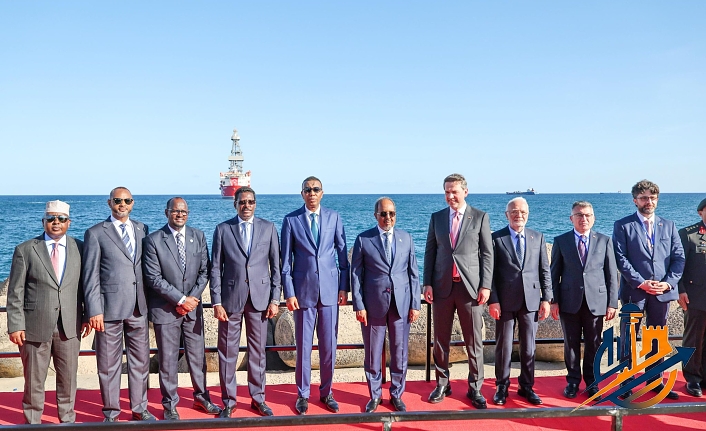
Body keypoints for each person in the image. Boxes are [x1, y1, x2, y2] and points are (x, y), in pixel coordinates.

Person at [6, 200, 91, 424]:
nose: (56, 222)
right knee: (33, 381)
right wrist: (15, 325)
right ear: (43, 221)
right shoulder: (25, 250)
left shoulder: (81, 248)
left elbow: (87, 287)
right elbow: (15, 292)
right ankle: (32, 423)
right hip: (34, 326)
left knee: (68, 379)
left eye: (61, 218)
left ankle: (67, 421)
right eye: (51, 218)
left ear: (69, 222)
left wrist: (87, 316)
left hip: (70, 326)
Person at [142, 197, 222, 419]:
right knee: (167, 360)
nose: (180, 215)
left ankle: (202, 397)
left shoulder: (198, 236)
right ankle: (169, 404)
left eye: (184, 212)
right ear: (166, 212)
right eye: (175, 211)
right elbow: (153, 277)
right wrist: (180, 300)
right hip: (165, 309)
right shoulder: (153, 240)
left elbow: (205, 271)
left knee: (197, 357)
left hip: (193, 309)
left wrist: (191, 299)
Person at [82, 187, 156, 422]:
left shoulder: (142, 229)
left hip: (138, 307)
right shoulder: (95, 233)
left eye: (127, 200)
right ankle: (111, 412)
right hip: (109, 310)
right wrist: (94, 310)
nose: (122, 204)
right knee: (108, 364)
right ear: (109, 203)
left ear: (132, 203)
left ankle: (140, 408)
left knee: (141, 362)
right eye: (117, 200)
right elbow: (90, 275)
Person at [423, 173, 493, 409]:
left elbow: (487, 254)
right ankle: (442, 383)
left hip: (470, 289)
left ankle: (475, 387)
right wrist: (427, 283)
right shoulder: (437, 218)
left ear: (465, 191)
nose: (450, 196)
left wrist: (486, 285)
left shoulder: (480, 217)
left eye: (454, 191)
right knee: (440, 340)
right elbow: (430, 252)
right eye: (446, 191)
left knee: (473, 341)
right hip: (442, 287)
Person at [210, 187, 282, 417]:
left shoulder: (268, 228)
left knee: (258, 352)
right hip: (230, 300)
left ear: (255, 203)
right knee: (227, 352)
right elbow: (215, 268)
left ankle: (258, 398)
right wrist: (216, 301)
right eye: (242, 202)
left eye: (250, 201)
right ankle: (229, 401)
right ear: (235, 204)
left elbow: (276, 267)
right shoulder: (223, 229)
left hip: (260, 300)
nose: (246, 205)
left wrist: (275, 299)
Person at [281, 176, 349, 415]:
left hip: (330, 293)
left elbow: (343, 256)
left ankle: (327, 392)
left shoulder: (334, 217)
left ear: (322, 193)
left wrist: (344, 288)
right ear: (302, 194)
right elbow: (285, 262)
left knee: (329, 346)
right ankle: (303, 394)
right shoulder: (291, 220)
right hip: (303, 294)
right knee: (303, 347)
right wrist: (289, 292)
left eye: (315, 189)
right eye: (307, 190)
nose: (311, 193)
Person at [613, 179, 684, 400]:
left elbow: (679, 258)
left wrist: (668, 283)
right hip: (634, 292)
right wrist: (641, 282)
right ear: (635, 200)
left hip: (661, 293)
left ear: (657, 200)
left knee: (656, 339)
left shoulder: (668, 225)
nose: (649, 202)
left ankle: (655, 381)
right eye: (644, 198)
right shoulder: (623, 225)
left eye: (652, 198)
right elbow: (621, 259)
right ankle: (626, 382)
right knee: (629, 339)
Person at [351, 197, 421, 413]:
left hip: (401, 305)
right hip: (373, 306)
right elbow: (355, 275)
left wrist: (415, 304)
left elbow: (413, 273)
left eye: (391, 213)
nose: (388, 217)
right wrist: (359, 305)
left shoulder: (406, 238)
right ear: (376, 216)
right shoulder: (364, 239)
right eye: (383, 214)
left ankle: (397, 394)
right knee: (373, 353)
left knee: (400, 352)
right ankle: (375, 396)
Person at [550, 201, 618, 399]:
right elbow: (554, 274)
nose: (583, 219)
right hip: (569, 301)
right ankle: (572, 381)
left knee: (594, 344)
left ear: (593, 218)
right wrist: (553, 301)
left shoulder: (604, 240)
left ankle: (592, 382)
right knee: (570, 344)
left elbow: (611, 274)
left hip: (596, 302)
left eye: (587, 215)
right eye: (579, 215)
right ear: (571, 218)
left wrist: (612, 303)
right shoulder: (561, 241)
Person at [489, 197, 552, 406]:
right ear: (507, 215)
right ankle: (502, 386)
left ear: (528, 214)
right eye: (514, 212)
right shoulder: (496, 238)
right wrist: (493, 300)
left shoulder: (537, 237)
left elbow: (544, 270)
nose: (519, 215)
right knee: (504, 347)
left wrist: (547, 299)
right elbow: (489, 273)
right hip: (504, 302)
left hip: (531, 301)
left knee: (528, 347)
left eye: (523, 212)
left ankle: (527, 386)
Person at [677, 197, 706, 398]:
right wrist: (680, 290)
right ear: (700, 212)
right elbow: (678, 265)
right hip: (695, 296)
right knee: (693, 339)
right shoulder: (688, 234)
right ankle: (693, 379)